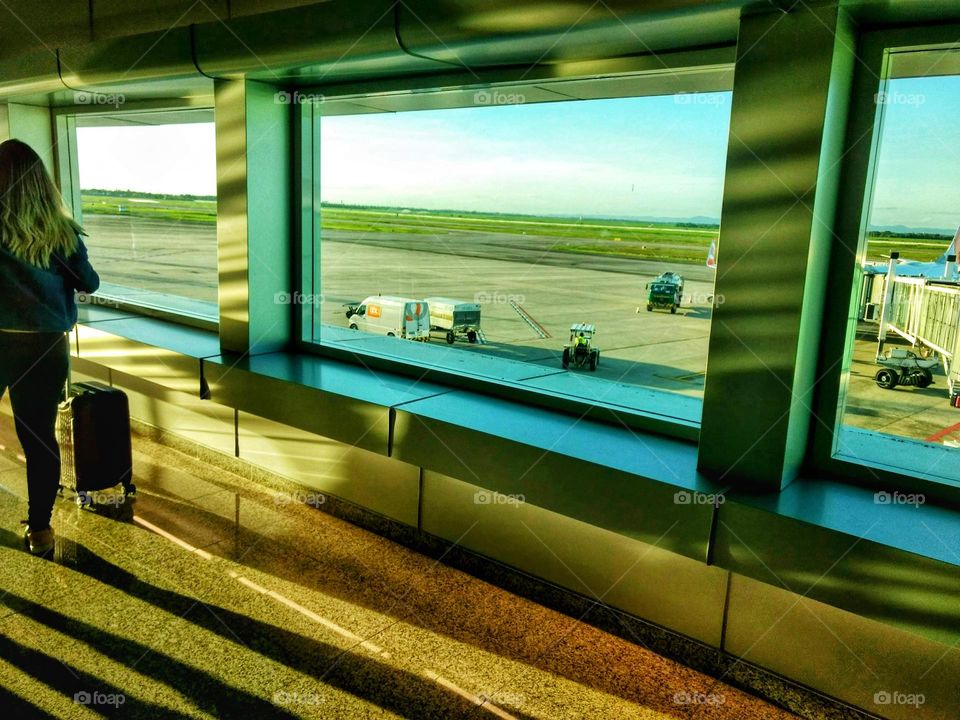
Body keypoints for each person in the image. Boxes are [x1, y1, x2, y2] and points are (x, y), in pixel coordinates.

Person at [0, 139, 99, 555]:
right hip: (44, 348)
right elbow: (90, 283)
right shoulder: (62, 234)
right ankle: (40, 529)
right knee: (38, 437)